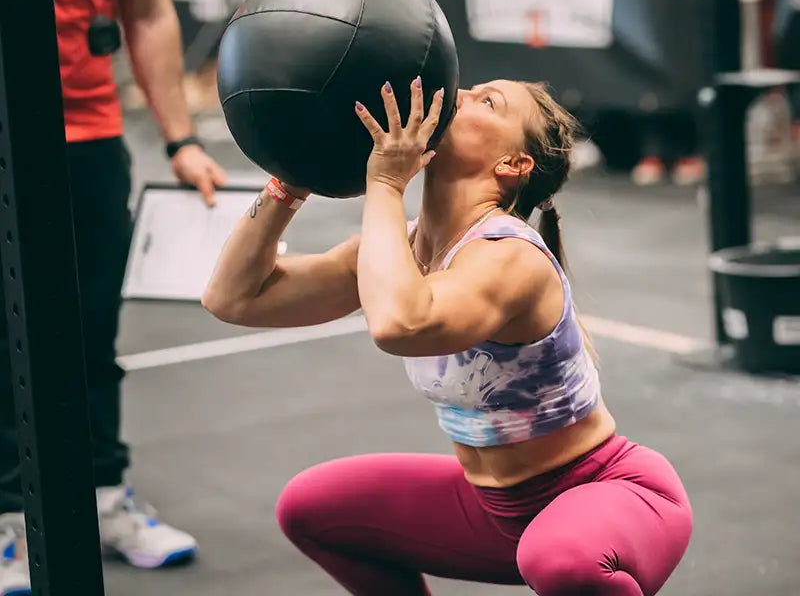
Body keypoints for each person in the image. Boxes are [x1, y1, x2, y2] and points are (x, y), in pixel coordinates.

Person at [203, 76, 693, 594]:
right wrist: (291, 179)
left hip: (607, 495)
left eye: (487, 102)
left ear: (512, 164)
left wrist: (387, 183)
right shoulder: (405, 246)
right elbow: (234, 298)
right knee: (312, 509)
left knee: (561, 559)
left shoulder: (511, 256)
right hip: (492, 511)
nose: (456, 94)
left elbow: (400, 323)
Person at [0, 0, 228, 593]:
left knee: (92, 325)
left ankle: (100, 495)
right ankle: (9, 520)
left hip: (92, 129)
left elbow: (146, 3)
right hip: (7, 128)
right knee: (6, 333)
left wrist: (183, 137)